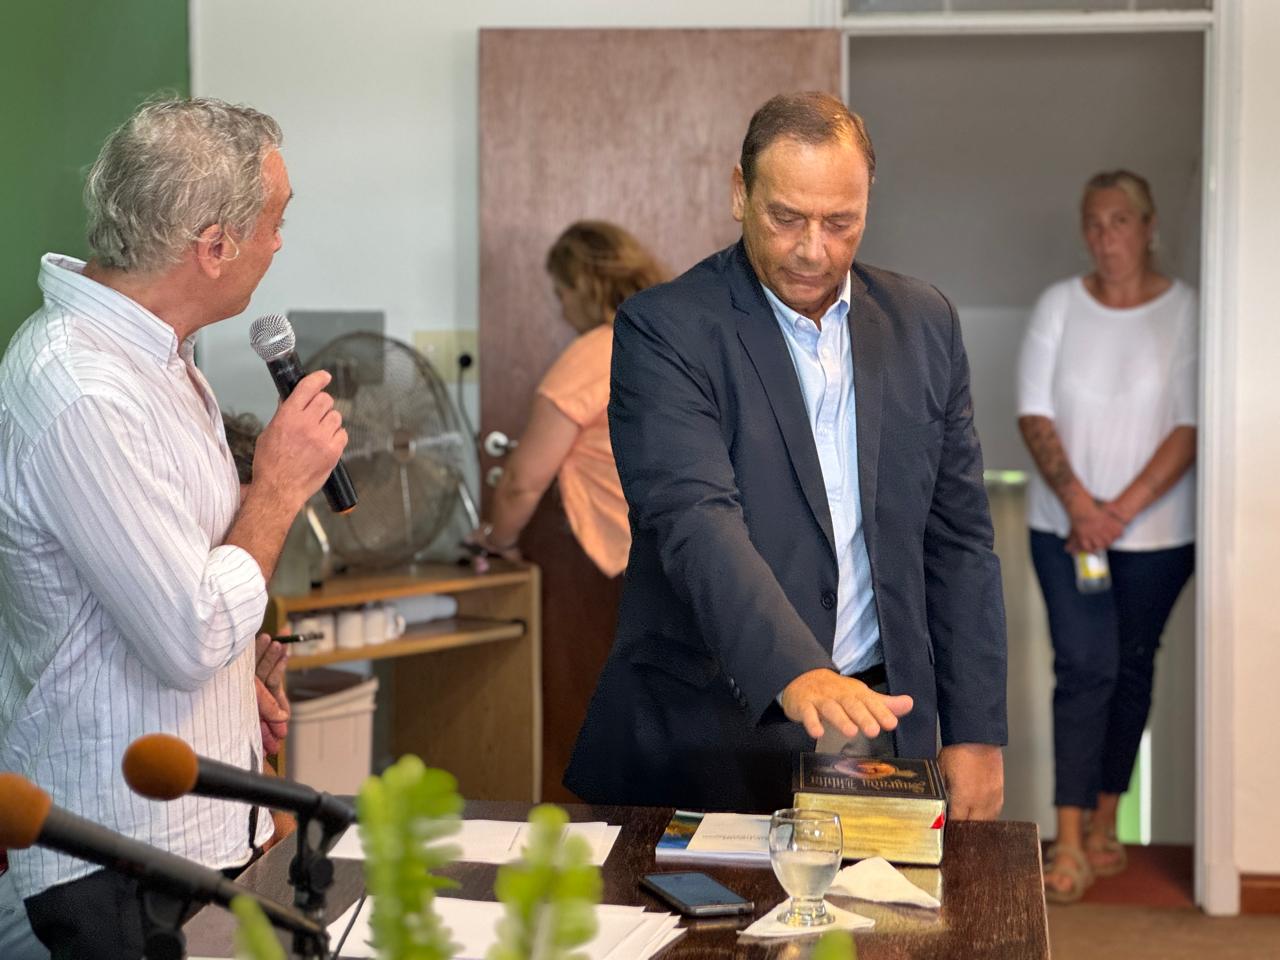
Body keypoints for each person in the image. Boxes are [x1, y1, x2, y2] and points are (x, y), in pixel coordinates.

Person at [564, 92, 1007, 815]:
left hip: (881, 724)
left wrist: (976, 731)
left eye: (840, 222)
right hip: (708, 734)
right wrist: (797, 669)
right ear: (740, 194)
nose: (813, 249)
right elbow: (694, 518)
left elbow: (958, 542)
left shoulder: (925, 324)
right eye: (787, 218)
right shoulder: (666, 329)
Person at [0, 97, 347, 956]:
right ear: (215, 246)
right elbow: (189, 630)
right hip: (116, 854)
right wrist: (277, 489)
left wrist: (234, 682)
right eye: (275, 222)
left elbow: (172, 590)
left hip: (189, 835)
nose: (278, 244)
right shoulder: (84, 389)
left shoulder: (157, 361)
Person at [1016, 170, 1197, 904]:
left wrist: (1116, 511)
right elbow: (1034, 412)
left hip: (1158, 537)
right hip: (1063, 530)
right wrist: (1081, 508)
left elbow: (1189, 425)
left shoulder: (1187, 310)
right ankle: (1067, 840)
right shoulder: (1059, 304)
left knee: (1130, 669)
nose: (1105, 234)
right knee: (1084, 666)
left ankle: (1104, 820)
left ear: (1149, 227)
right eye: (1093, 221)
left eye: (1120, 220)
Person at [466, 220, 665, 575]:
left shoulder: (593, 356)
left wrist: (498, 542)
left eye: (561, 294)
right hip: (704, 541)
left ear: (585, 288)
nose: (562, 311)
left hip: (645, 556)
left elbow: (520, 483)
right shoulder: (667, 342)